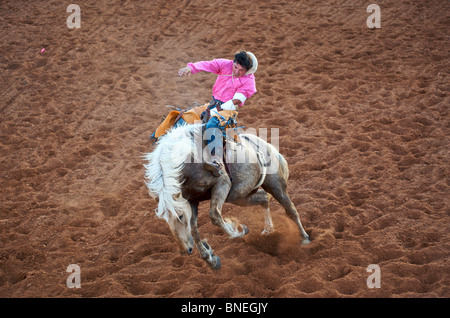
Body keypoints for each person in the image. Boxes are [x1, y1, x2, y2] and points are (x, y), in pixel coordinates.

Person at [179, 51, 258, 176]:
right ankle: (160, 137)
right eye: (235, 67)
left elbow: (236, 100)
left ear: (247, 71)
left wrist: (215, 110)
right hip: (212, 104)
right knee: (185, 117)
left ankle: (216, 159)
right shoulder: (225, 64)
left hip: (228, 110)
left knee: (212, 125)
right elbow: (207, 64)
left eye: (241, 70)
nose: (236, 71)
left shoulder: (249, 82)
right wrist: (191, 68)